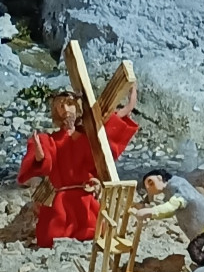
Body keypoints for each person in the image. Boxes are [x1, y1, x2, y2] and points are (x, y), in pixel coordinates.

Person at [16, 83, 139, 249]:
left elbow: (112, 127)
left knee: (95, 228)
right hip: (60, 200)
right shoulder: (50, 140)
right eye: (61, 106)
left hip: (84, 198)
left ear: (77, 106)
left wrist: (131, 101)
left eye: (69, 104)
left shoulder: (89, 138)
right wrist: (39, 154)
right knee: (52, 232)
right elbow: (44, 161)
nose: (66, 109)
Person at [136, 169, 204, 269]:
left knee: (194, 252)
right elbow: (170, 211)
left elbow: (171, 207)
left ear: (159, 178)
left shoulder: (177, 186)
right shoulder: (171, 188)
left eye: (151, 182)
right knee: (195, 249)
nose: (149, 188)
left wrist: (150, 211)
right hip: (199, 220)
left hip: (201, 221)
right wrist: (152, 214)